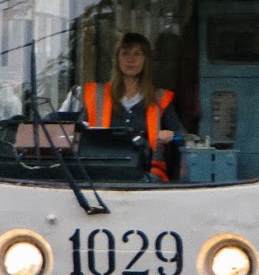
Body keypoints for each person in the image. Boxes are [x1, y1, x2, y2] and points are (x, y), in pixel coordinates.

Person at [68, 32, 184, 181]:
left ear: (146, 60)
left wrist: (173, 136)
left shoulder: (160, 98)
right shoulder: (96, 96)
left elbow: (185, 137)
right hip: (101, 172)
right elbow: (75, 135)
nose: (131, 59)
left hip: (148, 175)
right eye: (125, 53)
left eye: (137, 54)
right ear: (117, 59)